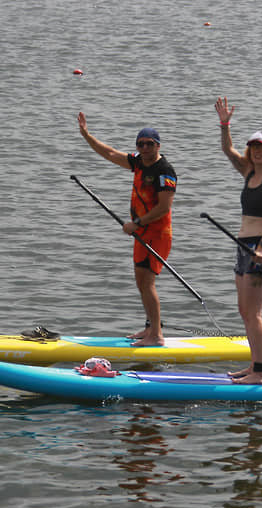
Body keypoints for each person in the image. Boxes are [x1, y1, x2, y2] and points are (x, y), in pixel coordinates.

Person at [77, 112, 177, 346]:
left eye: (149, 144)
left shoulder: (165, 171)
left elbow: (164, 208)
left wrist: (137, 223)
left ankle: (157, 337)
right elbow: (110, 153)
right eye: (140, 144)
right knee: (140, 282)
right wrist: (86, 135)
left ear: (158, 145)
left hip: (157, 234)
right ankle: (149, 328)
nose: (144, 148)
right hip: (141, 233)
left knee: (148, 283)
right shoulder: (138, 162)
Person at [214, 97, 262, 384]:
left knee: (254, 313)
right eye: (254, 148)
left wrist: (260, 247)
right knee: (244, 311)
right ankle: (253, 364)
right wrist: (224, 124)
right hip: (242, 246)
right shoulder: (248, 173)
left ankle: (260, 372)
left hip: (259, 247)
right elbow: (226, 149)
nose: (257, 152)